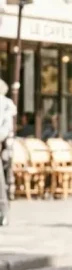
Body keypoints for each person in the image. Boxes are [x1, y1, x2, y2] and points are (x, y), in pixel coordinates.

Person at [0, 81, 16, 226]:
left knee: (1, 180)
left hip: (2, 145)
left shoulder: (5, 104)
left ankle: (3, 212)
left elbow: (6, 128)